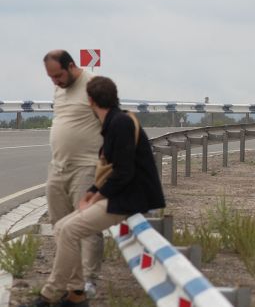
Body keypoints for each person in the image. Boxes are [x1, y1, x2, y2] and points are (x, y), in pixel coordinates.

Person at [21, 76, 166, 307]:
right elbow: (114, 169)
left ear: (90, 101)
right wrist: (93, 190)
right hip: (121, 196)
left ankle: (49, 295)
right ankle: (75, 294)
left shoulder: (120, 123)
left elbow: (123, 172)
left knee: (68, 231)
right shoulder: (115, 121)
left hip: (129, 200)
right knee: (60, 228)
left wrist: (96, 196)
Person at [42, 50, 103, 297]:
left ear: (71, 66)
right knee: (60, 227)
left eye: (58, 75)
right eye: (50, 78)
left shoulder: (92, 87)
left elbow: (110, 123)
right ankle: (74, 286)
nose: (55, 81)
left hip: (86, 167)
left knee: (84, 225)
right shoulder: (58, 89)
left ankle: (89, 279)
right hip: (57, 168)